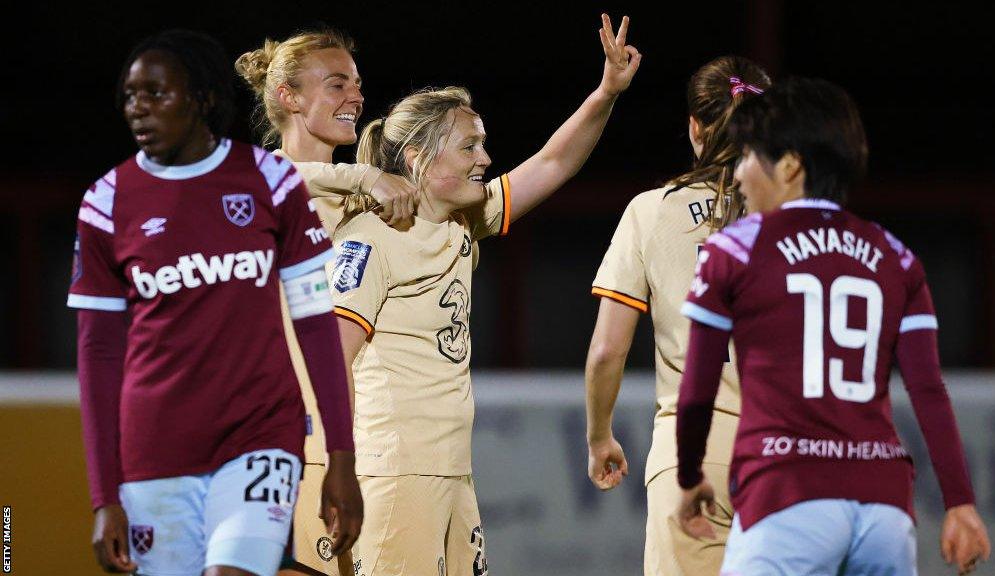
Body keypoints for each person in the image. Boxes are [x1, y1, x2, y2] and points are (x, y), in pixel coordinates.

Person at [313, 14, 639, 575]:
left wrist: (607, 91)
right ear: (418, 157)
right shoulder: (372, 237)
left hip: (452, 469)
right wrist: (340, 466)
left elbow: (554, 161)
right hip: (396, 471)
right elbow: (332, 357)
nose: (484, 159)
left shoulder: (464, 221)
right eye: (469, 146)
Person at [68, 29, 361, 576]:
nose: (139, 110)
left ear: (202, 97)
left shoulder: (270, 182)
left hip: (259, 436)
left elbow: (316, 326)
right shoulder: (106, 202)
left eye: (157, 94)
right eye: (131, 97)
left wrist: (340, 456)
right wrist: (102, 496)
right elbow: (97, 357)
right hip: (154, 448)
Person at [675, 77, 991, 575]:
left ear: (791, 165)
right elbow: (928, 388)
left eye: (748, 157)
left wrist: (690, 474)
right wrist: (960, 503)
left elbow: (695, 390)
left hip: (785, 499)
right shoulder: (897, 256)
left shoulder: (733, 248)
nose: (737, 175)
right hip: (884, 510)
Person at [236, 29, 418, 576]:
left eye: (358, 85)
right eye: (337, 84)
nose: (356, 98)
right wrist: (361, 175)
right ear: (290, 97)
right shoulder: (252, 189)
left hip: (350, 439)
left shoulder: (368, 205)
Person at [585, 56, 768, 575]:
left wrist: (600, 436)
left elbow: (607, 351)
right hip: (787, 456)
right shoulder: (798, 214)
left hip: (692, 458)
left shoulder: (651, 210)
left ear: (694, 128)